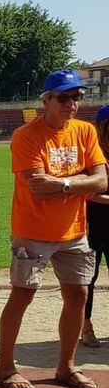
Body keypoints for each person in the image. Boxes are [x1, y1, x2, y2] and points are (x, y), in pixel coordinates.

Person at [0, 70, 107, 388]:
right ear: (46, 100)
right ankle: (4, 368)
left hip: (74, 231)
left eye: (77, 96)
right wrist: (80, 181)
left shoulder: (85, 131)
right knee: (23, 294)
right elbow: (38, 187)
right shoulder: (26, 136)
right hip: (32, 231)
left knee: (79, 295)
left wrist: (64, 183)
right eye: (64, 97)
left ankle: (66, 367)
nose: (72, 103)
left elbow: (101, 180)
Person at [81, 104, 109, 348]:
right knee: (89, 277)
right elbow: (87, 192)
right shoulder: (91, 155)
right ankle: (85, 326)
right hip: (92, 224)